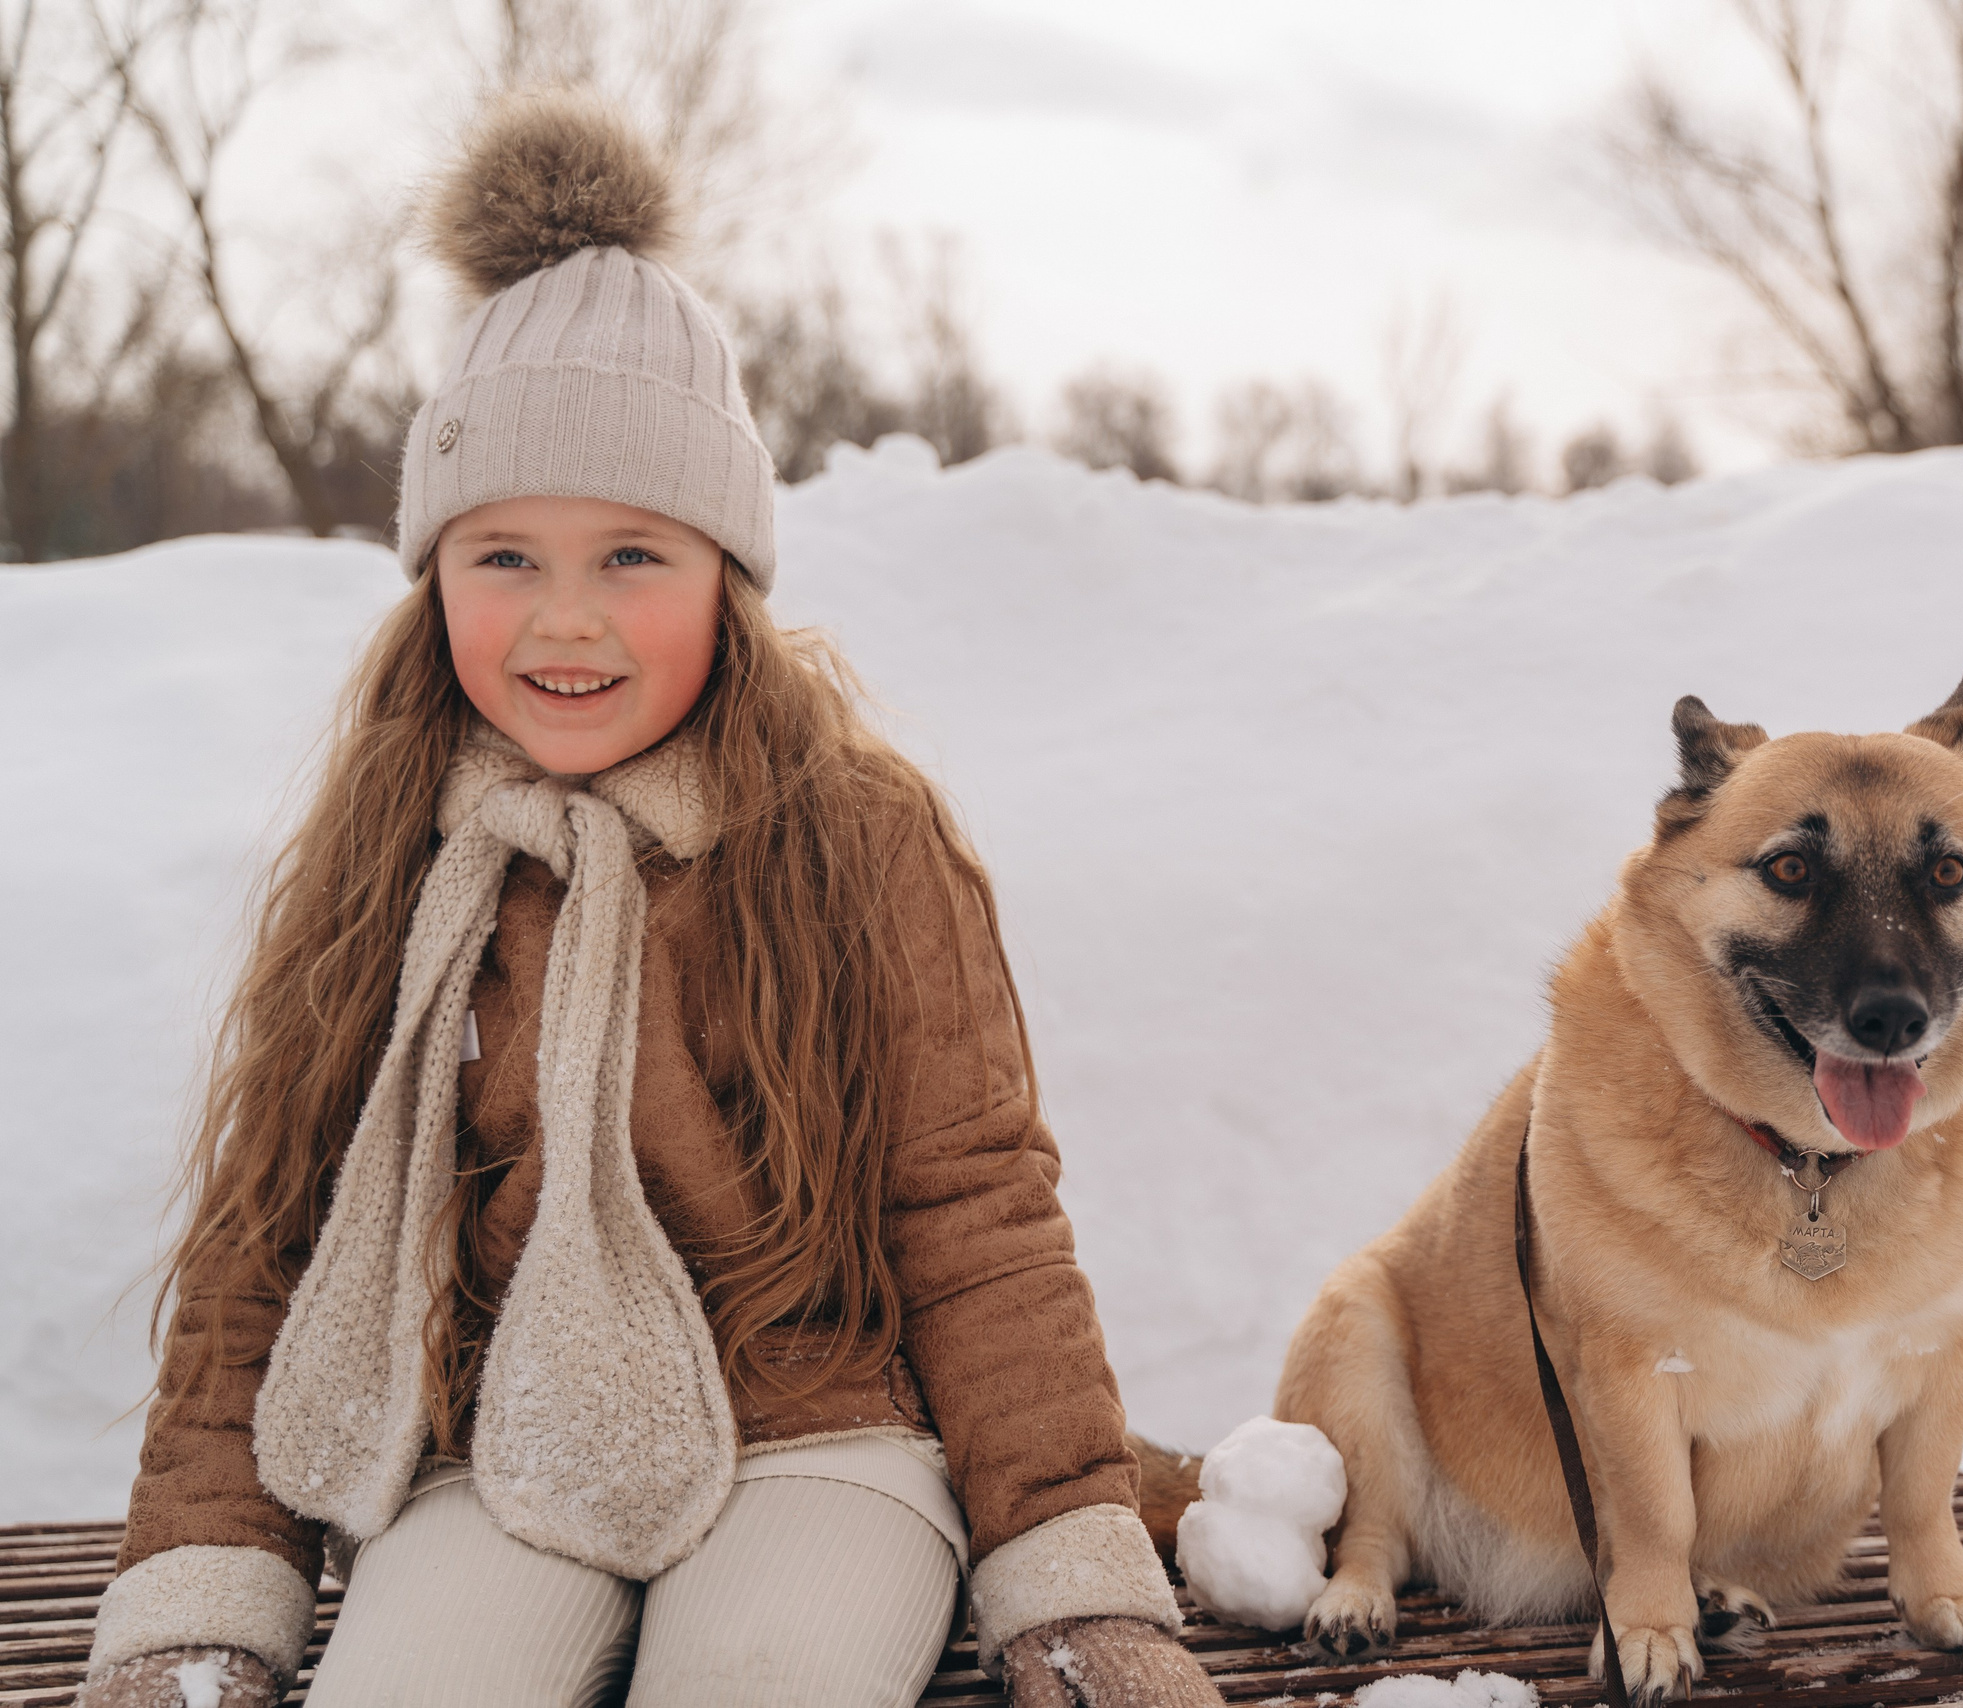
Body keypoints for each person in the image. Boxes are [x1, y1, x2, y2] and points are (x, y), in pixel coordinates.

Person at [79, 91, 1220, 1708]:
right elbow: (272, 1235)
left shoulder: (853, 837)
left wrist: (1070, 1583)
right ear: (433, 574)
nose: (567, 619)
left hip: (821, 1441)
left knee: (761, 1682)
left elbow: (975, 1216)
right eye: (504, 557)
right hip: (497, 1458)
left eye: (631, 556)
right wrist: (202, 1605)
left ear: (724, 579)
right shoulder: (396, 846)